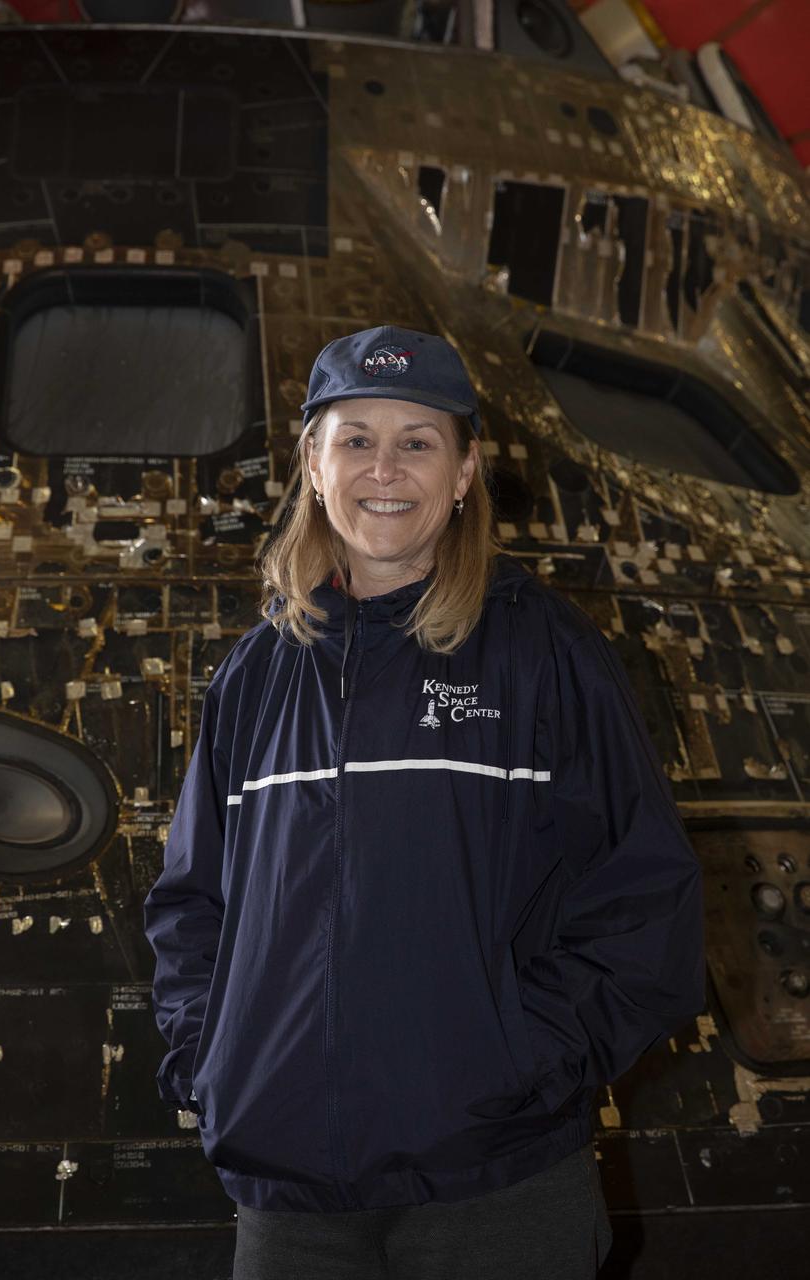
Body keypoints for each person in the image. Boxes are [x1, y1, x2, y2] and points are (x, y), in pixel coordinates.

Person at [144, 324, 706, 1279]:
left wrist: (519, 1063)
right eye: (354, 438)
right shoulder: (254, 674)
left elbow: (642, 897)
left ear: (463, 473)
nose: (383, 468)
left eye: (417, 440)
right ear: (313, 467)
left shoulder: (544, 653)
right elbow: (193, 906)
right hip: (292, 1198)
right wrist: (217, 1062)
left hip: (496, 1182)